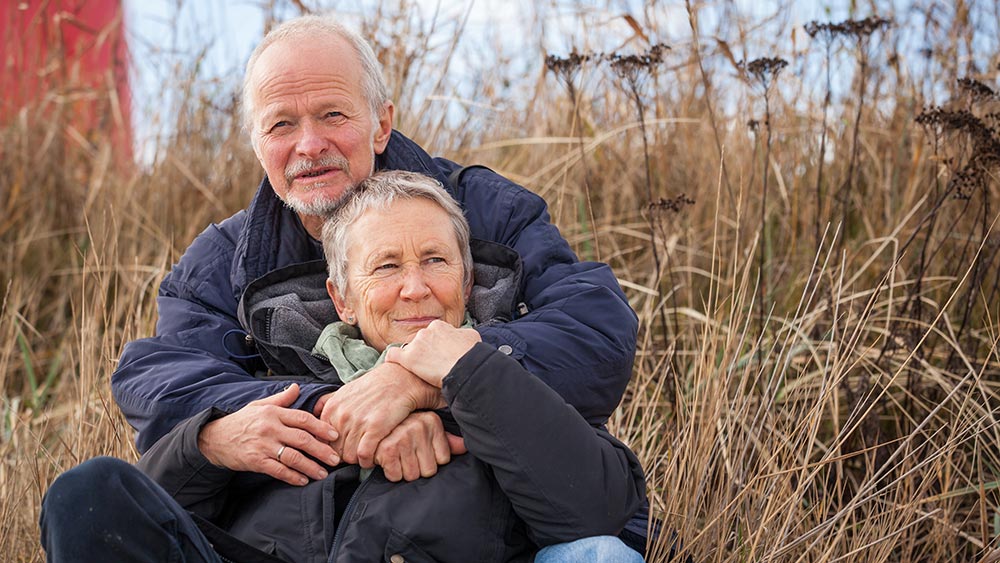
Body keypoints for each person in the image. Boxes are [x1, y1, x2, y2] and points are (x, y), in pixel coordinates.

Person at [107, 11, 648, 551]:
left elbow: (594, 332)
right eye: (281, 125)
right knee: (93, 497)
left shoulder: (488, 212)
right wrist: (342, 411)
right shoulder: (222, 260)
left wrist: (423, 383)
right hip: (296, 533)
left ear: (381, 123)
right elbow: (163, 383)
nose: (309, 144)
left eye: (333, 114)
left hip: (485, 527)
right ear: (257, 144)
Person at [41, 171, 645, 562]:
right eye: (386, 267)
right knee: (86, 493)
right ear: (341, 298)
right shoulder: (280, 383)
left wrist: (453, 379)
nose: (415, 288)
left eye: (435, 260)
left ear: (465, 280)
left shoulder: (506, 383)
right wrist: (208, 444)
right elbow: (164, 524)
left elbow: (599, 514)